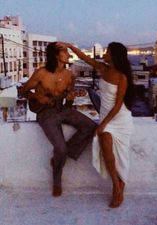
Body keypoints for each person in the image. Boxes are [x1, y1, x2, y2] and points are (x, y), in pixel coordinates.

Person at [58, 42, 135, 207]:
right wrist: (70, 46)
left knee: (113, 147)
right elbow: (84, 57)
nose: (105, 53)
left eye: (108, 51)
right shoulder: (104, 69)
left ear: (114, 55)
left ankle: (119, 186)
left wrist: (102, 124)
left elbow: (117, 105)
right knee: (105, 143)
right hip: (106, 117)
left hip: (120, 118)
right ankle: (117, 184)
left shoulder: (122, 77)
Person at [19, 42, 96, 197]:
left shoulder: (69, 76)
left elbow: (68, 103)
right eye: (65, 52)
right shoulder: (41, 73)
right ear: (56, 55)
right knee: (60, 148)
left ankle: (67, 153)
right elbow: (23, 91)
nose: (68, 55)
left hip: (62, 110)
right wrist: (37, 97)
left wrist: (70, 98)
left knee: (90, 125)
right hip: (45, 114)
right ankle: (57, 180)